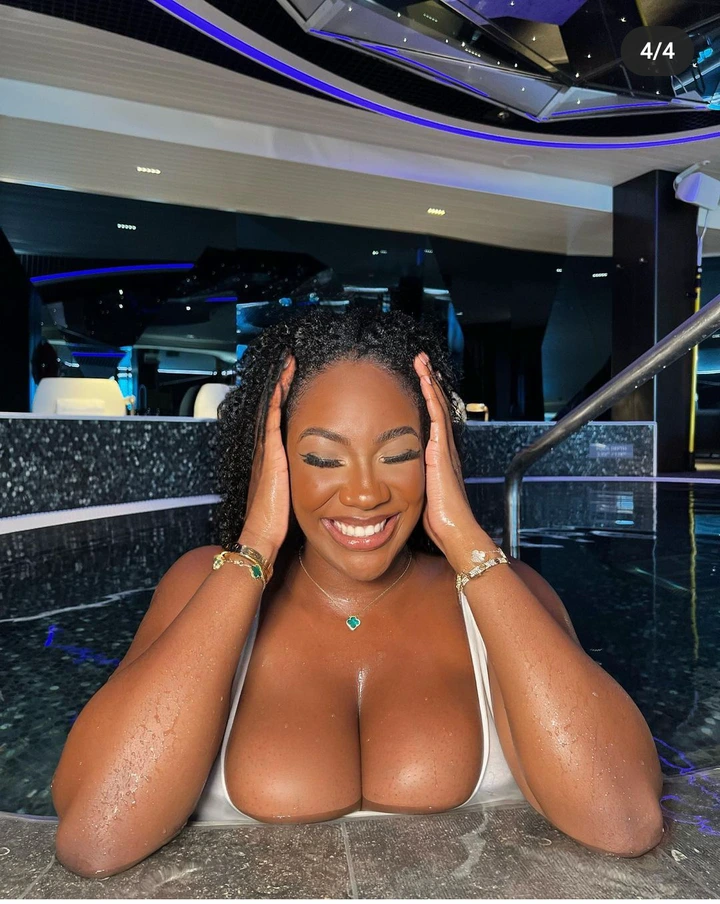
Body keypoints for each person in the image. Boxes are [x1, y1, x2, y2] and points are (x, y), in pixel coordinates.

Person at [51, 307, 664, 879]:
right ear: (271, 461)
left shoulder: (507, 595)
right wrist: (255, 545)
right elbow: (97, 838)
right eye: (323, 459)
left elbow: (622, 820)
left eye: (398, 454)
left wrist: (467, 541)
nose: (366, 494)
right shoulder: (202, 586)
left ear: (436, 456)